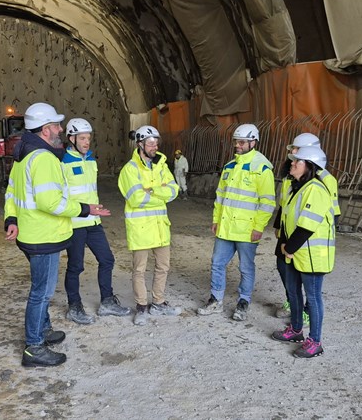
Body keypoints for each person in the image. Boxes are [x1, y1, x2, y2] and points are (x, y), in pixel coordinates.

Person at [4, 102, 111, 367]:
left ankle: (43, 330)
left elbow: (11, 192)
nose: (60, 129)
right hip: (43, 236)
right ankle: (34, 347)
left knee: (40, 288)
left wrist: (12, 217)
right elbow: (50, 202)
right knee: (41, 292)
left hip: (30, 232)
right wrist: (85, 209)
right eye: (56, 126)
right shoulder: (44, 158)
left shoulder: (23, 154)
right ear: (44, 130)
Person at [196, 124, 275, 321]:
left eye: (241, 142)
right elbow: (220, 196)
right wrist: (216, 220)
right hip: (226, 227)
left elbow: (267, 202)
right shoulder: (229, 167)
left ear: (253, 143)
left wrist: (259, 227)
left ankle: (243, 302)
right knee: (217, 263)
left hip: (247, 230)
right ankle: (215, 300)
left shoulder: (262, 169)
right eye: (236, 142)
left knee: (246, 268)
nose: (237, 146)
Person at [60, 117, 131, 324]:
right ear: (71, 138)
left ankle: (107, 302)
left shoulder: (90, 160)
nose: (86, 142)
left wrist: (96, 209)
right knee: (75, 266)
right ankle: (74, 306)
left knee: (107, 259)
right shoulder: (62, 162)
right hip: (74, 223)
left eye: (88, 138)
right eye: (82, 138)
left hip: (93, 222)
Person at [270, 146, 335, 358]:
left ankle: (315, 341)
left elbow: (307, 226)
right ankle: (296, 330)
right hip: (295, 252)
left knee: (313, 298)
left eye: (297, 161)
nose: (292, 163)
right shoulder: (296, 187)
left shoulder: (316, 189)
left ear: (310, 166)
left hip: (311, 255)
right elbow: (288, 220)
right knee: (293, 293)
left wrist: (287, 248)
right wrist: (286, 247)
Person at [118, 125, 182, 326]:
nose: (154, 146)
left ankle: (158, 302)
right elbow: (136, 198)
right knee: (139, 269)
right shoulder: (130, 169)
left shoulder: (162, 165)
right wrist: (159, 192)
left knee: (163, 267)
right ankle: (141, 307)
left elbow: (173, 191)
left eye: (156, 142)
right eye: (150, 143)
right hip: (141, 228)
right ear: (140, 144)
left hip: (160, 226)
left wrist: (151, 190)